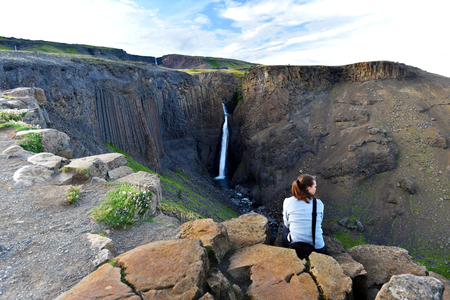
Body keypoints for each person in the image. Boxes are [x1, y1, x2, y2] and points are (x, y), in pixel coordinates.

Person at [282, 174, 325, 258]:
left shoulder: (288, 201)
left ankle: (289, 245)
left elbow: (287, 224)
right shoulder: (319, 203)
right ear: (309, 188)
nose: (315, 189)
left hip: (295, 247)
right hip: (317, 249)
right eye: (315, 187)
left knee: (285, 226)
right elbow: (320, 220)